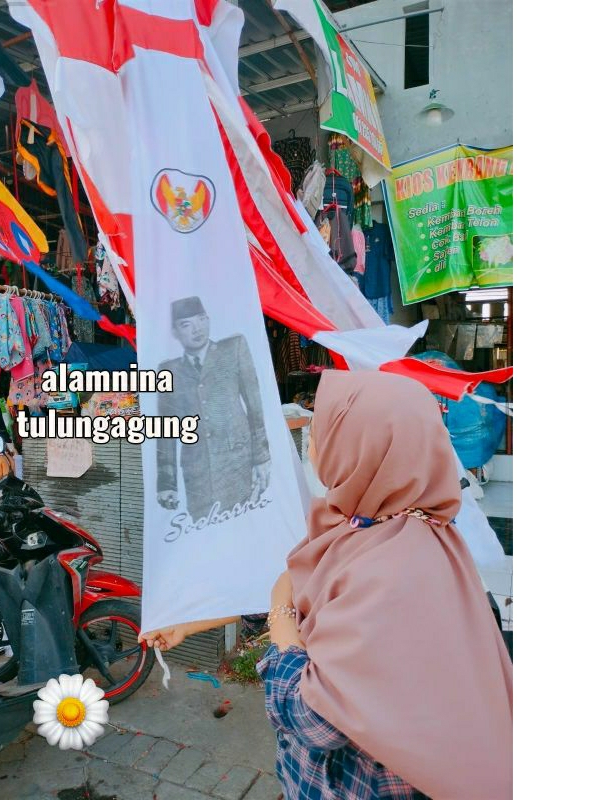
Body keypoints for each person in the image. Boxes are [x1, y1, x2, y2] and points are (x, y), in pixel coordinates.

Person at [144, 370, 513, 800]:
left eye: (322, 433)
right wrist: (195, 622)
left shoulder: (390, 567)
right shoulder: (390, 525)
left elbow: (312, 719)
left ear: (361, 450)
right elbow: (316, 597)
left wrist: (281, 618)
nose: (315, 446)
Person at [156, 296, 271, 521]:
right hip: (197, 474)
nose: (197, 329)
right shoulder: (169, 370)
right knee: (205, 537)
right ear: (175, 332)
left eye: (201, 319)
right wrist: (166, 482)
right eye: (186, 324)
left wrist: (262, 457)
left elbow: (255, 406)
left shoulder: (234, 348)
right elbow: (165, 429)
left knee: (245, 528)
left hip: (238, 464)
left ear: (208, 319)